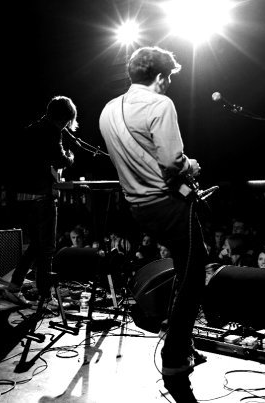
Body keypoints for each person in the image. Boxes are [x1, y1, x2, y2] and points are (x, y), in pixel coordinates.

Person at [99, 45, 206, 402]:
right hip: (168, 206)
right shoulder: (160, 104)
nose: (170, 83)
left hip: (136, 207)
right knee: (193, 275)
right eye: (169, 77)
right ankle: (174, 357)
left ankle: (182, 341)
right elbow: (173, 162)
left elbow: (138, 159)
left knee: (183, 269)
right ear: (160, 76)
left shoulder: (108, 110)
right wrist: (191, 165)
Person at [3, 95, 77, 307]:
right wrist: (70, 158)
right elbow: (59, 160)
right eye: (66, 121)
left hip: (25, 198)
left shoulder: (32, 129)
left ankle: (14, 287)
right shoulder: (52, 131)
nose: (66, 125)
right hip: (43, 197)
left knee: (36, 246)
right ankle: (46, 296)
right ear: (64, 117)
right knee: (47, 249)